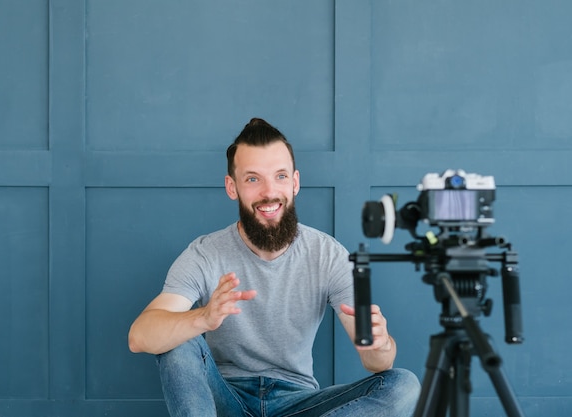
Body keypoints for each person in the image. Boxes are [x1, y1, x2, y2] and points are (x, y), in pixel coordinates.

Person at [128, 118, 420, 417]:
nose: (269, 192)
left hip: (299, 403)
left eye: (280, 176)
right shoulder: (205, 254)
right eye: (253, 179)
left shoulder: (327, 254)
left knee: (404, 385)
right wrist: (202, 318)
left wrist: (380, 343)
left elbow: (376, 363)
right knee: (177, 336)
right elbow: (139, 337)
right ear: (232, 187)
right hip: (225, 400)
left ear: (295, 182)